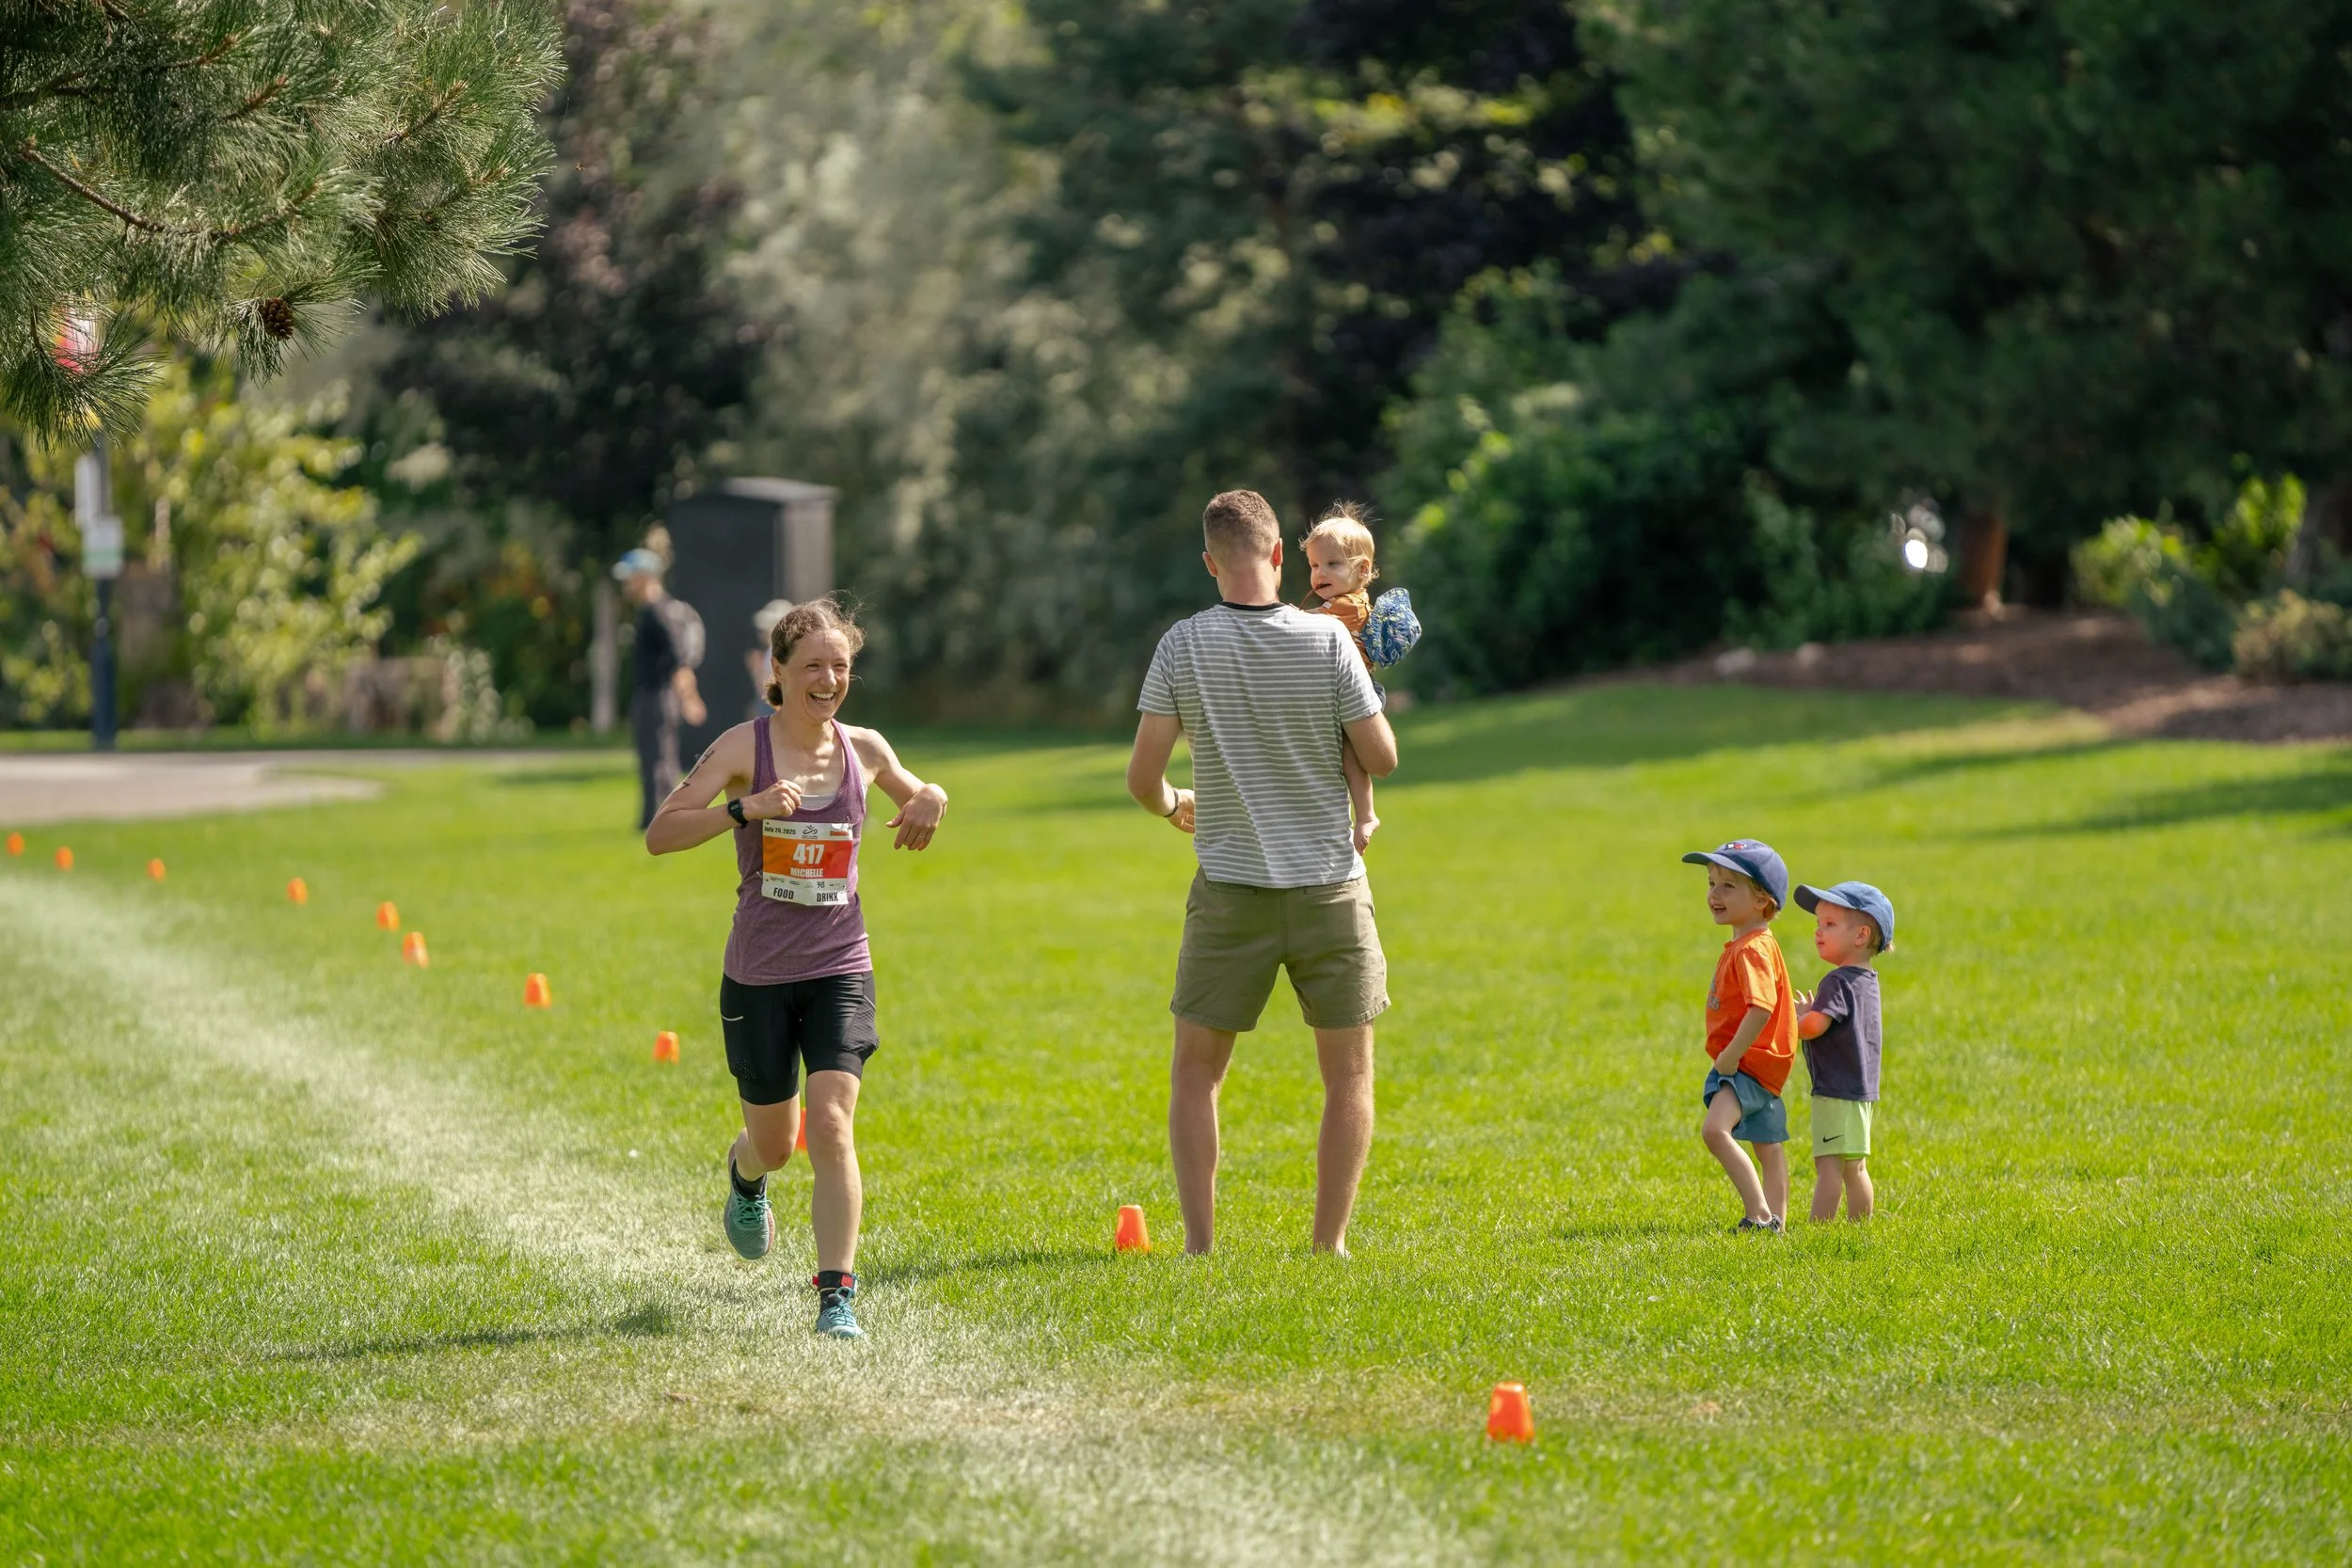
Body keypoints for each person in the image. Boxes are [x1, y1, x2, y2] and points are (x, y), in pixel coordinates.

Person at [644, 597, 948, 1339]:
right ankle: (746, 1175)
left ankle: (836, 1293)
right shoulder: (743, 747)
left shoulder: (865, 748)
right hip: (759, 974)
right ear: (776, 672)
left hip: (842, 963)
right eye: (812, 665)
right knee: (778, 1143)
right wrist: (743, 811)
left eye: (840, 665)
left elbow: (919, 793)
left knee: (834, 1124)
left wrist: (933, 798)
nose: (829, 678)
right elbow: (661, 833)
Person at [1127, 488, 1399, 1257]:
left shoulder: (1182, 644)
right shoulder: (1329, 643)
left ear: (1210, 563)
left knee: (1195, 1073)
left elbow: (1142, 778)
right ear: (1282, 554)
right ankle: (1329, 1244)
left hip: (1230, 895)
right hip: (1329, 891)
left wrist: (1176, 802)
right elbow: (1381, 758)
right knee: (1347, 1075)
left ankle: (1201, 1245)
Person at [1681, 839, 1799, 1233]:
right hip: (1764, 1066)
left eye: (1729, 886)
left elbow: (1761, 1007)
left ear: (1762, 899)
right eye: (1712, 883)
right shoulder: (1754, 944)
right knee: (1769, 1149)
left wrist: (1730, 1056)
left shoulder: (1752, 950)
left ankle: (1759, 1216)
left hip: (1746, 1064)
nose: (1714, 894)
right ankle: (1777, 1224)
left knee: (1715, 1131)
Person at [1296, 503, 1421, 853]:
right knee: (1343, 758)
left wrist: (1281, 614)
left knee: (1352, 758)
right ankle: (1361, 814)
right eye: (1314, 565)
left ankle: (1366, 815)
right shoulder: (1339, 599)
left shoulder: (1348, 605)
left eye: (1332, 564)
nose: (1320, 572)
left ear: (1362, 569)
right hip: (1342, 692)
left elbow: (1307, 624)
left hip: (1357, 692)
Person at [1792, 880, 1895, 1223]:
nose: (1818, 932)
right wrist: (1813, 1011)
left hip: (1834, 1091)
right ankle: (1859, 1227)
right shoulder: (1867, 980)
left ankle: (1820, 1230)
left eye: (1830, 924)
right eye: (1819, 924)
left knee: (1828, 1166)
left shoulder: (1836, 981)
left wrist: (1794, 1019)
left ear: (1861, 935)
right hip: (1861, 1091)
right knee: (1856, 1165)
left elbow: (1814, 1028)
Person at [616, 547, 708, 831]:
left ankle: (662, 819)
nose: (626, 585)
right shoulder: (651, 611)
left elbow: (678, 656)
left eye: (630, 578)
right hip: (653, 696)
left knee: (659, 761)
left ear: (645, 577)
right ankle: (653, 819)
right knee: (652, 759)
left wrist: (688, 697)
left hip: (658, 697)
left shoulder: (657, 612)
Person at [746, 599, 792, 720]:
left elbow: (765, 686)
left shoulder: (778, 648)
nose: (763, 632)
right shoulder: (772, 648)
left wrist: (757, 669)